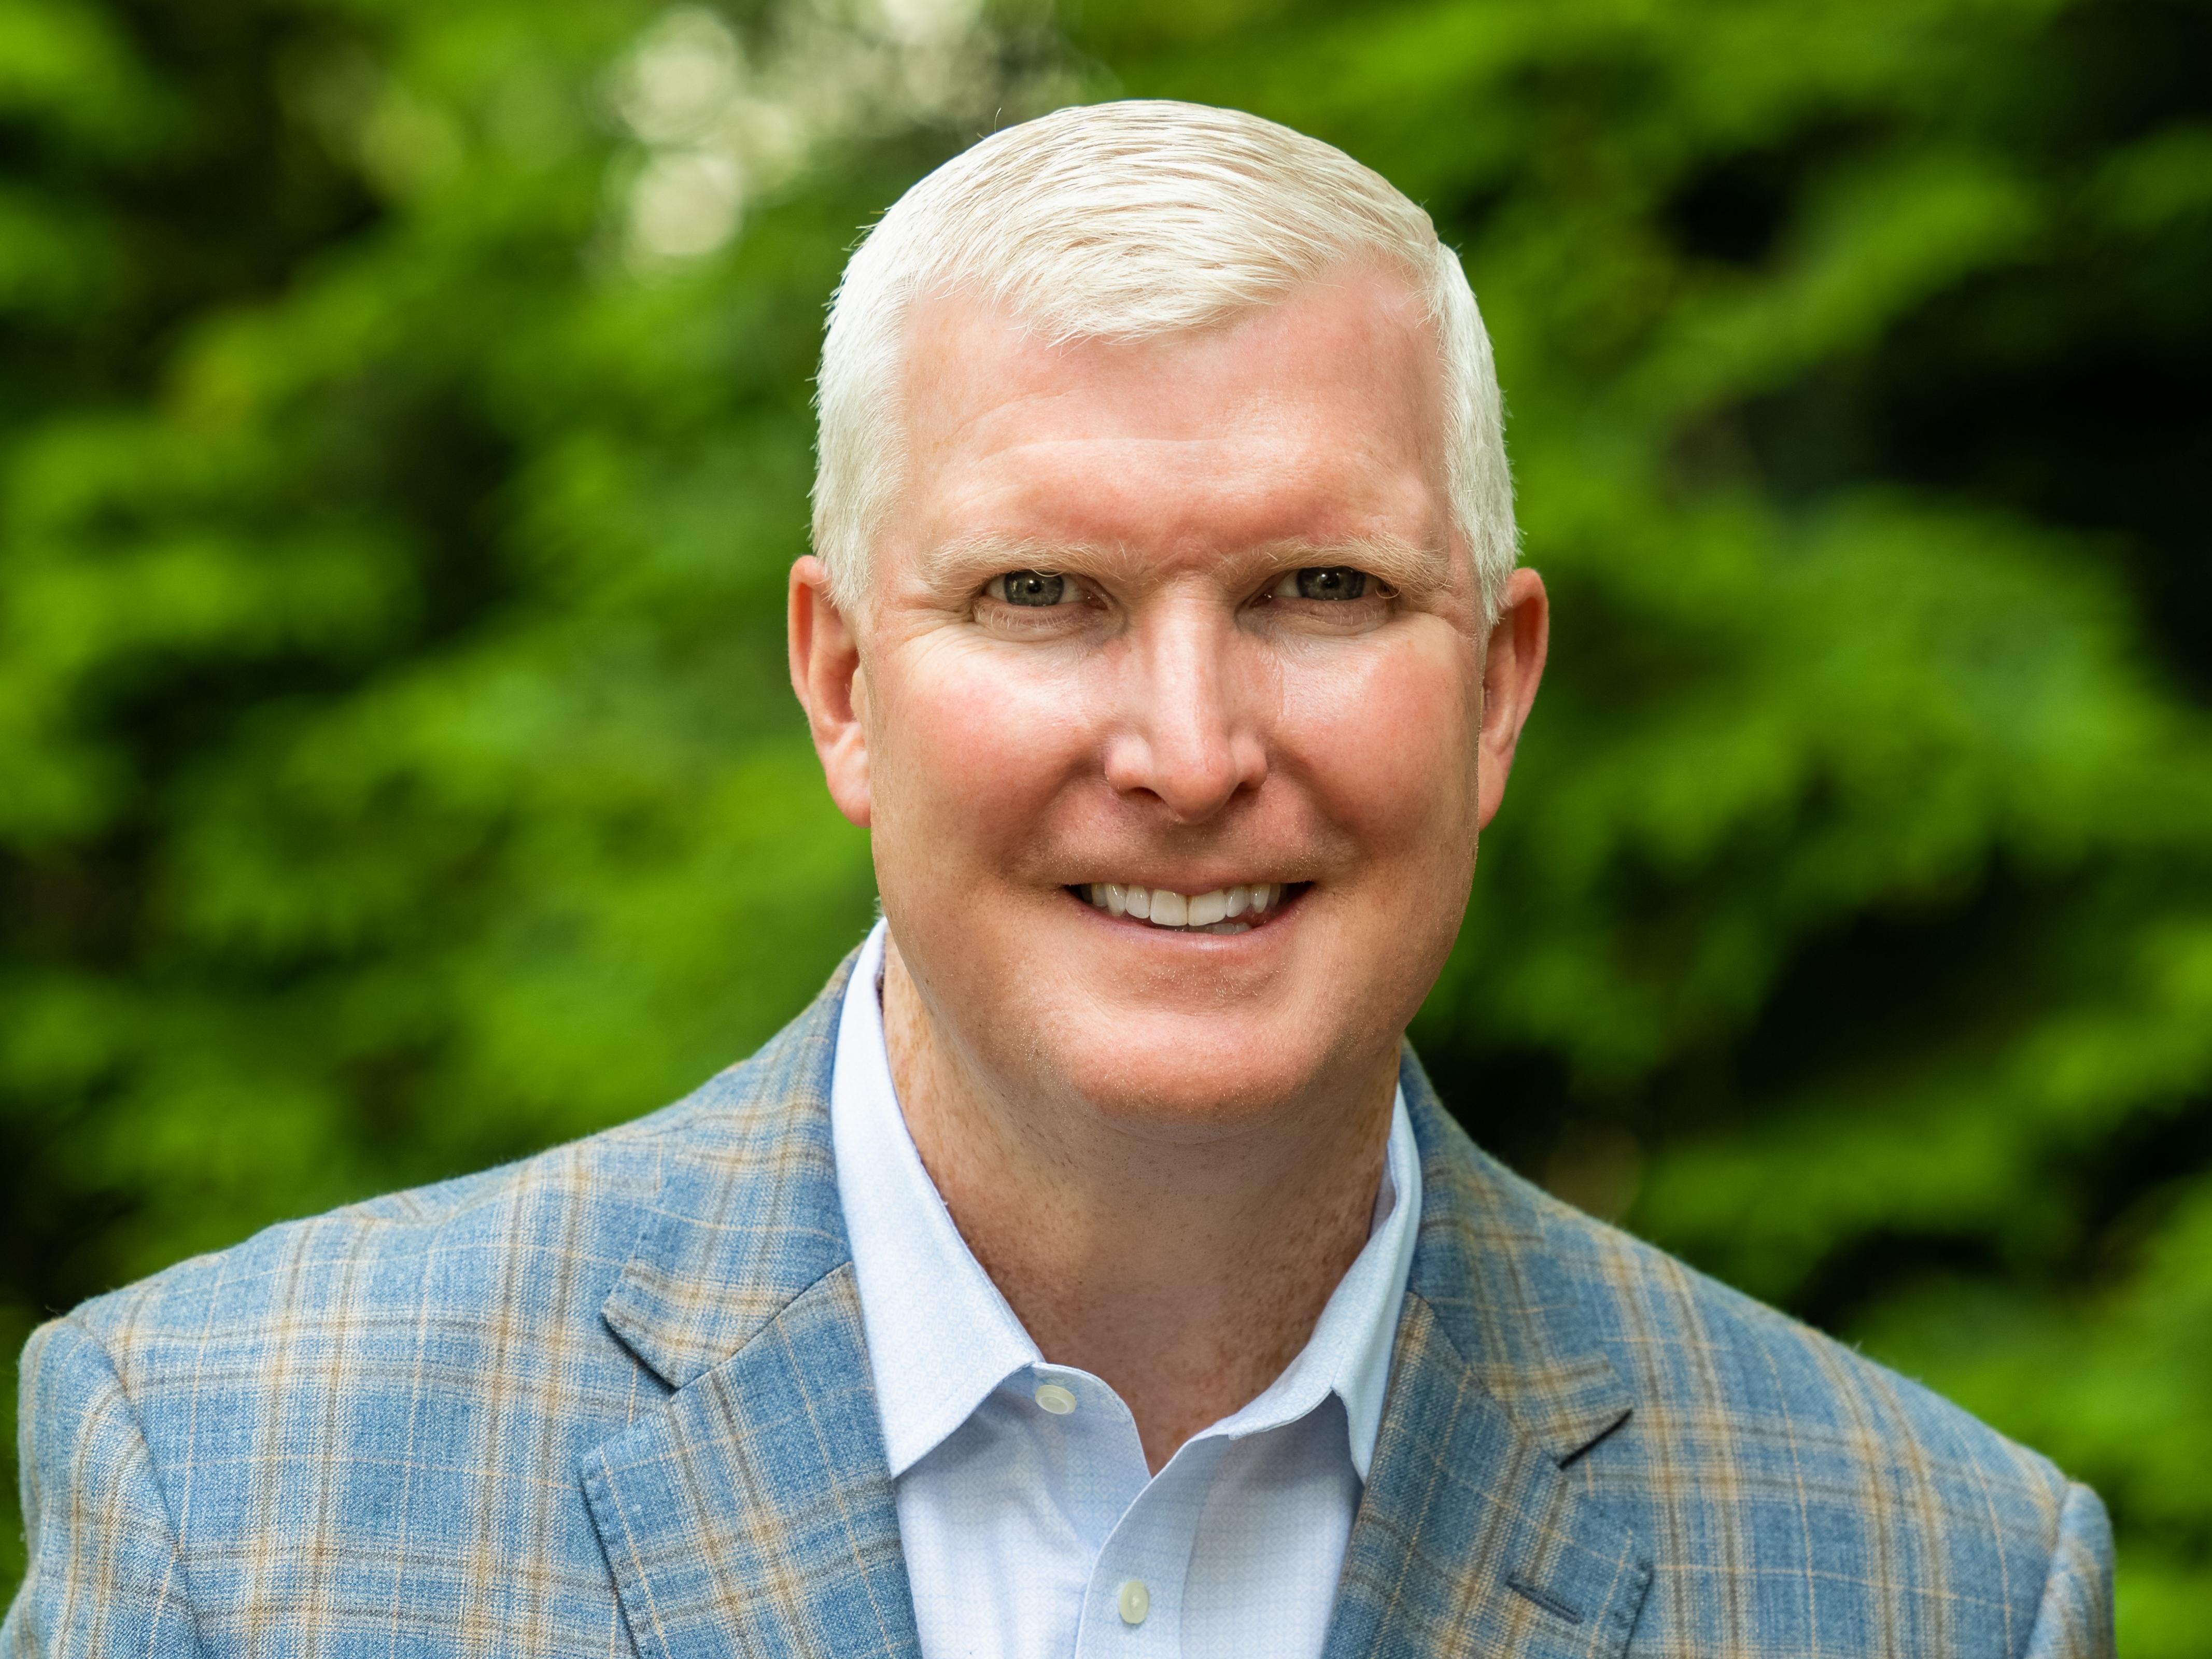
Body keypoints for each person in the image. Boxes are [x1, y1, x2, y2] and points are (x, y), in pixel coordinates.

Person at [5, 101, 2112, 1658]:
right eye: (1042, 593)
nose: (1189, 750)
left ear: (1492, 688)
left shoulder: (1925, 1576)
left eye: (1317, 586)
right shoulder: (236, 1485)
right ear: (841, 683)